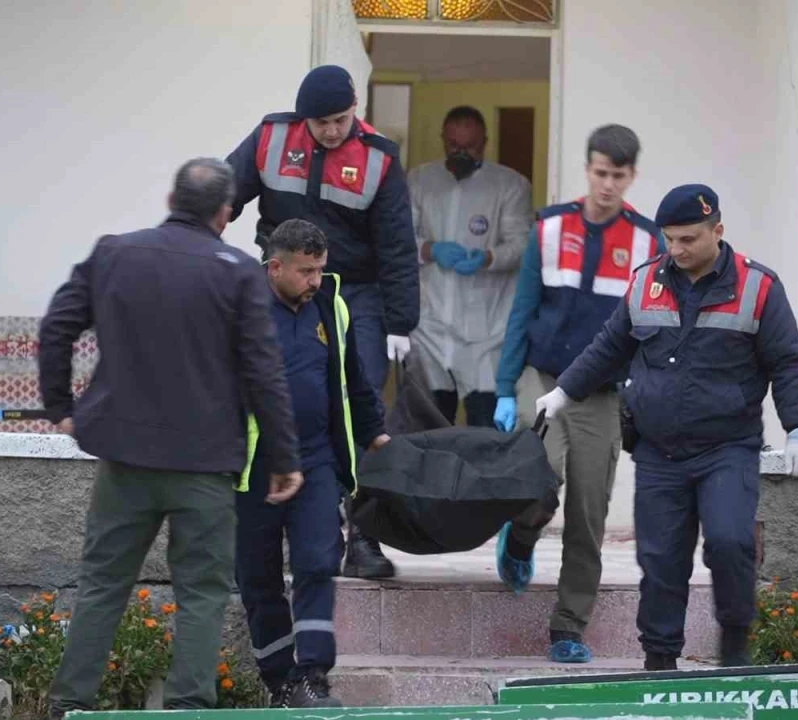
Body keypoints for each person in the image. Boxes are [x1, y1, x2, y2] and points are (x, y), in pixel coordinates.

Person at [37, 158, 303, 716]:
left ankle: (69, 705)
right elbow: (263, 372)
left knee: (103, 584)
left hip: (124, 461)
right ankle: (187, 709)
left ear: (170, 200)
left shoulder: (115, 253)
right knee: (202, 593)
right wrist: (283, 456)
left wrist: (61, 407)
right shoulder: (237, 273)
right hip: (205, 466)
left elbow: (57, 326)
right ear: (225, 213)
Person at [533, 183, 798, 670]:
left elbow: (786, 363)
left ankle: (735, 645)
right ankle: (660, 661)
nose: (677, 249)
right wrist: (563, 393)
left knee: (730, 542)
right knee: (660, 560)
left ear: (717, 231)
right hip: (658, 451)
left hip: (727, 448)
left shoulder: (758, 287)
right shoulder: (646, 281)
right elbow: (609, 346)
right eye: (669, 239)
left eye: (688, 239)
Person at [225, 64, 416, 579]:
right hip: (280, 284)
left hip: (355, 291)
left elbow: (398, 245)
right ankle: (285, 521)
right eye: (320, 123)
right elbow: (224, 197)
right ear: (302, 117)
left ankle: (365, 539)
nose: (331, 131)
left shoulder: (378, 157)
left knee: (360, 406)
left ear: (356, 108)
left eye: (339, 120)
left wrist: (401, 323)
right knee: (274, 392)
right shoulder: (272, 137)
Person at [492, 124, 665, 664]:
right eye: (600, 172)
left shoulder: (647, 242)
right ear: (587, 169)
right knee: (540, 477)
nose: (607, 184)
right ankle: (521, 538)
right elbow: (522, 311)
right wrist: (504, 388)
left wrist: (644, 395)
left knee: (589, 511)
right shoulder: (549, 228)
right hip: (543, 378)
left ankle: (568, 627)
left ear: (632, 176)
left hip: (602, 393)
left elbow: (653, 328)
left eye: (618, 175)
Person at [235, 218, 389, 708]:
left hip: (318, 459)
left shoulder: (330, 305)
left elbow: (353, 376)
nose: (315, 280)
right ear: (274, 267)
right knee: (257, 577)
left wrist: (374, 433)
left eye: (320, 269)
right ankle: (280, 681)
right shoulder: (242, 307)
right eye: (306, 271)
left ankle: (313, 675)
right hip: (254, 467)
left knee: (317, 563)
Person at [408, 105, 533, 427]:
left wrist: (488, 258)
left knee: (483, 432)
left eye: (470, 146)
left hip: (486, 332)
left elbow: (522, 246)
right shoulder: (420, 180)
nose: (461, 152)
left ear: (485, 144)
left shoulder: (510, 185)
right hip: (431, 327)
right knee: (429, 431)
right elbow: (399, 240)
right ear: (443, 140)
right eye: (453, 145)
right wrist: (431, 249)